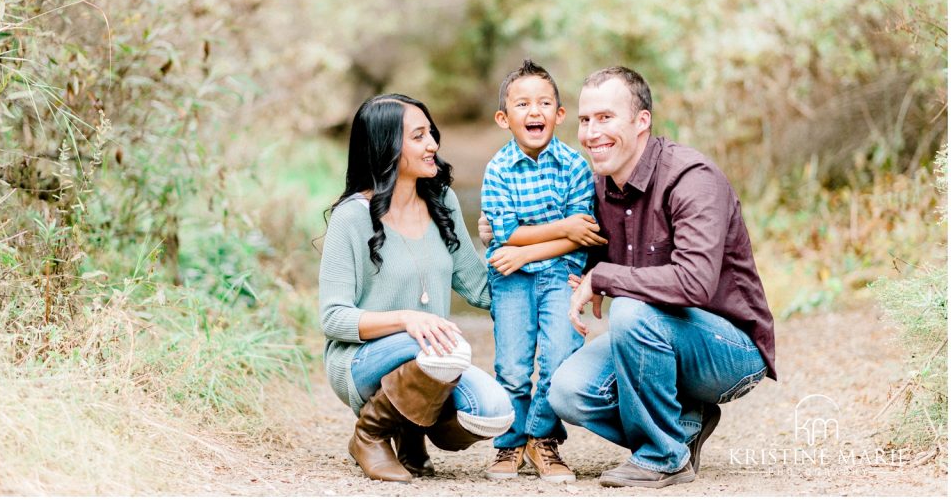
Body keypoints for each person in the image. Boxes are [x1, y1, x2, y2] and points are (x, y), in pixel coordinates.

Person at [546, 66, 777, 488]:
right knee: (568, 391)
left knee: (631, 310)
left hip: (730, 350)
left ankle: (662, 456)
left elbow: (694, 284)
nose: (592, 132)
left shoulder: (691, 179)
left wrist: (606, 278)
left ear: (642, 121)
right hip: (653, 336)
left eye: (606, 118)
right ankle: (683, 425)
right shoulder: (598, 186)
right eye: (585, 120)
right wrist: (502, 232)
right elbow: (577, 249)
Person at [318, 94, 514, 484]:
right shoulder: (351, 217)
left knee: (494, 411)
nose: (433, 145)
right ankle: (370, 436)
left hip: (434, 359)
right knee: (440, 345)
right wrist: (407, 319)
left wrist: (538, 277)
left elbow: (479, 287)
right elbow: (333, 318)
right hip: (360, 362)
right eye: (419, 136)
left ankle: (410, 431)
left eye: (431, 133)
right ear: (386, 146)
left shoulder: (442, 200)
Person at [479, 60, 606, 483]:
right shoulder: (497, 169)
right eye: (522, 104)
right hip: (511, 279)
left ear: (559, 114)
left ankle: (541, 440)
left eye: (544, 103)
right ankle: (510, 442)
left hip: (560, 278)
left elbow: (582, 235)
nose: (534, 112)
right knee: (513, 367)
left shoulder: (573, 166)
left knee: (558, 360)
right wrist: (561, 228)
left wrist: (531, 248)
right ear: (504, 118)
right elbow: (506, 234)